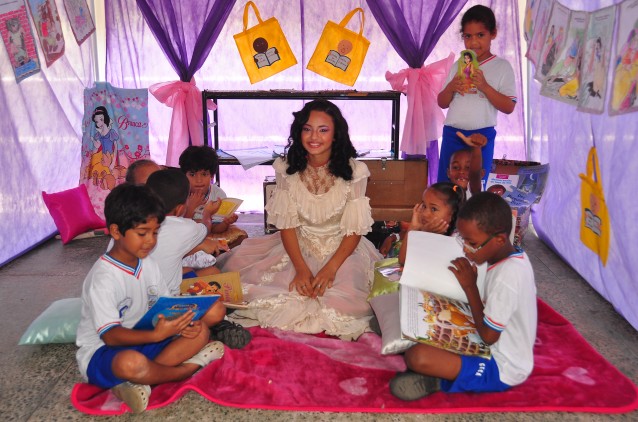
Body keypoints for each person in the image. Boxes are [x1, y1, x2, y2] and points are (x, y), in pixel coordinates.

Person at [216, 99, 383, 340]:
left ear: (336, 135)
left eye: (323, 130)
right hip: (296, 243)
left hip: (344, 248)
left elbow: (354, 231)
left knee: (349, 303)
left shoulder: (356, 171)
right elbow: (287, 225)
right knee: (245, 275)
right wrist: (301, 268)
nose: (314, 136)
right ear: (299, 132)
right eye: (307, 129)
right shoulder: (286, 167)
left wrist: (330, 269)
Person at [76, 184, 225, 414]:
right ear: (116, 231)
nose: (150, 241)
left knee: (201, 332)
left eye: (155, 233)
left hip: (148, 340)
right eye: (142, 233)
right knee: (130, 363)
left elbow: (164, 307)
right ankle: (189, 368)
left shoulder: (147, 263)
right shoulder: (103, 277)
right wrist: (157, 335)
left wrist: (183, 325)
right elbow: (111, 336)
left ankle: (141, 380)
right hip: (104, 351)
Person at [390, 192, 537, 401]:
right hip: (481, 333)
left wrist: (470, 288)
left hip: (501, 365)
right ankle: (440, 365)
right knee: (413, 316)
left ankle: (438, 380)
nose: (467, 250)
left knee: (418, 356)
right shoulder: (503, 255)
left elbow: (488, 336)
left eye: (472, 243)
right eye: (464, 240)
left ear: (500, 239)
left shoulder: (509, 276)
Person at [144, 169, 252, 349]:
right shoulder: (186, 228)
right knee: (216, 309)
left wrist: (200, 246)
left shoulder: (136, 223)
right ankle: (213, 325)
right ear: (180, 207)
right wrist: (206, 215)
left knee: (210, 272)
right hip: (159, 310)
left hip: (134, 302)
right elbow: (204, 228)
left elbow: (165, 250)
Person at [437, 5, 517, 184]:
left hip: (482, 137)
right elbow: (441, 102)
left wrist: (485, 87)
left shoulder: (502, 67)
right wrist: (451, 87)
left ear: (493, 34)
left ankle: (470, 213)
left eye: (480, 35)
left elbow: (509, 106)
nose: (473, 42)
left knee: (475, 186)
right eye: (468, 36)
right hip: (453, 134)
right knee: (446, 188)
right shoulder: (459, 64)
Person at [179, 145, 248, 249]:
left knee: (241, 236)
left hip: (209, 233)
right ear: (184, 175)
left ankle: (212, 251)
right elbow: (177, 228)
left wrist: (225, 223)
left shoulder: (218, 195)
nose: (199, 180)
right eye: (192, 174)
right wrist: (190, 209)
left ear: (212, 176)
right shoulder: (179, 194)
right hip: (186, 237)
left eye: (204, 174)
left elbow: (216, 229)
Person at [397, 182, 466, 266]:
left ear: (453, 214)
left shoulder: (458, 242)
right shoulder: (427, 231)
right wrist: (413, 227)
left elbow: (407, 261)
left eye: (434, 209)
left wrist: (425, 236)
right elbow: (402, 260)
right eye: (424, 206)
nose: (425, 213)